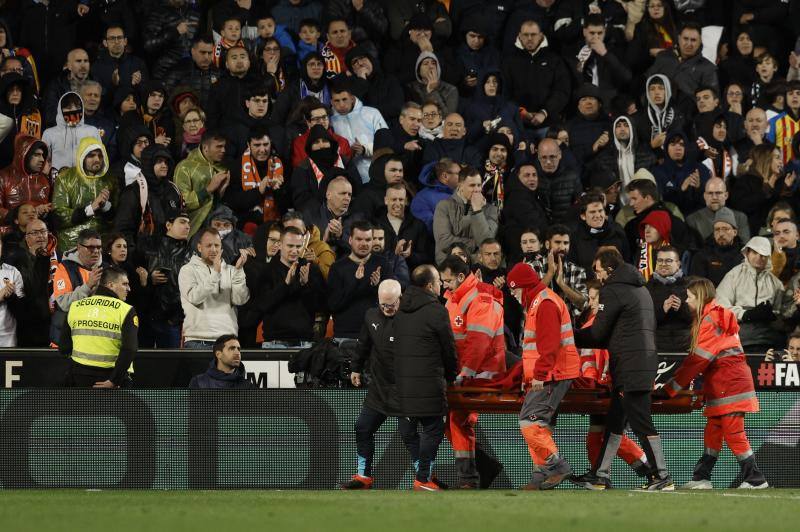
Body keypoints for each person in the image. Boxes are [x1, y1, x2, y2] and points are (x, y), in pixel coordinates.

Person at [573, 247, 673, 490]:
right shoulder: (640, 289)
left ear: (609, 269)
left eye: (598, 271)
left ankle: (662, 476)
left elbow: (597, 334)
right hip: (640, 363)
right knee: (615, 422)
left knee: (641, 422)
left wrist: (569, 335)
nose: (597, 276)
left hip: (631, 367)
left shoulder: (613, 291)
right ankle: (600, 474)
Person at [662, 277, 768, 490]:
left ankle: (756, 479)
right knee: (713, 431)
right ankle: (702, 477)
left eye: (690, 297)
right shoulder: (715, 316)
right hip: (725, 382)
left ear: (700, 297)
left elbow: (697, 361)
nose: (686, 301)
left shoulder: (710, 319)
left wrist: (670, 389)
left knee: (733, 432)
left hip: (729, 383)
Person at [506, 262, 578, 490]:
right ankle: (539, 479)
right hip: (551, 373)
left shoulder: (544, 303)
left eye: (513, 289)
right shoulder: (541, 301)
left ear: (523, 286)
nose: (513, 295)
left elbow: (549, 345)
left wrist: (539, 374)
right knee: (541, 427)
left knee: (529, 422)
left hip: (551, 374)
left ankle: (558, 467)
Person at [439, 256, 505, 489]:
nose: (444, 285)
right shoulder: (454, 298)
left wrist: (465, 372)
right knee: (451, 422)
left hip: (481, 372)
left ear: (460, 277)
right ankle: (482, 469)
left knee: (457, 419)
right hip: (465, 371)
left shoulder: (479, 298)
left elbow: (479, 341)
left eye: (447, 281)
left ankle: (469, 478)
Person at [393, 265, 457, 491]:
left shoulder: (400, 310)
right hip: (429, 382)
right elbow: (448, 348)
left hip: (404, 384)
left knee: (409, 431)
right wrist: (452, 374)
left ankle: (425, 475)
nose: (441, 284)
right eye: (439, 280)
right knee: (433, 430)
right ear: (430, 285)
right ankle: (423, 479)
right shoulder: (438, 311)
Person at [342, 279, 403, 490]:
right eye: (383, 305)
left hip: (405, 389)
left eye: (392, 305)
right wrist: (356, 368)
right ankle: (363, 476)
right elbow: (363, 344)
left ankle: (424, 478)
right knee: (363, 427)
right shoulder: (370, 316)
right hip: (379, 387)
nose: (387, 309)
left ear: (400, 299)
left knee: (409, 435)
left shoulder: (410, 319)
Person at [60, 265, 137, 388]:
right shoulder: (125, 310)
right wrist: (115, 380)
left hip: (78, 377)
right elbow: (130, 349)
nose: (129, 288)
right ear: (110, 285)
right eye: (124, 284)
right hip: (109, 379)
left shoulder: (75, 306)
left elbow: (64, 347)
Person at [178, 227, 250, 349]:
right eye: (209, 245)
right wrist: (215, 274)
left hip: (227, 341)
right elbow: (195, 297)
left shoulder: (231, 270)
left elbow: (240, 300)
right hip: (198, 341)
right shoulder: (188, 270)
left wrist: (238, 271)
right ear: (199, 247)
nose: (213, 249)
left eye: (217, 245)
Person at [254, 226, 325, 348]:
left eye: (298, 246)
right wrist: (286, 284)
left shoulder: (310, 269)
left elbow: (320, 306)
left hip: (305, 342)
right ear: (280, 245)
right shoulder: (267, 270)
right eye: (290, 246)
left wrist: (305, 284)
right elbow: (263, 304)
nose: (294, 250)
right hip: (274, 342)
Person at [716, 236, 787, 352]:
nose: (759, 257)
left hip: (768, 340)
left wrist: (773, 317)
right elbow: (719, 308)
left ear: (768, 257)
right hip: (738, 338)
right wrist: (746, 314)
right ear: (747, 252)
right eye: (755, 252)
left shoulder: (775, 283)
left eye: (763, 255)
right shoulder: (733, 276)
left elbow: (781, 316)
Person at [326, 221, 391, 340]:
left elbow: (392, 303)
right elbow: (333, 305)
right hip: (346, 335)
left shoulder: (383, 264)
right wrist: (355, 282)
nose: (364, 244)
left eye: (368, 240)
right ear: (350, 240)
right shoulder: (337, 268)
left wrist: (377, 286)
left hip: (376, 334)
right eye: (359, 239)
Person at [52, 137, 117, 252]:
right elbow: (59, 216)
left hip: (103, 246)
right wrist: (90, 209)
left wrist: (105, 206)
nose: (97, 159)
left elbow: (118, 217)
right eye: (91, 155)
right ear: (82, 156)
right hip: (72, 246)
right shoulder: (65, 178)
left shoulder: (111, 179)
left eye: (100, 155)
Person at [140, 213, 194, 348]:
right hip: (147, 316)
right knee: (143, 363)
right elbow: (135, 273)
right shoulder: (148, 245)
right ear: (168, 225)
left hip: (173, 320)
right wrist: (149, 278)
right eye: (182, 222)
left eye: (188, 223)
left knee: (170, 364)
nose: (187, 226)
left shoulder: (191, 253)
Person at [432, 165, 499, 263]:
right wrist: (473, 244)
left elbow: (486, 243)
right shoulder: (444, 206)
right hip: (449, 264)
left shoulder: (491, 210)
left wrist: (477, 211)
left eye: (479, 185)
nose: (477, 189)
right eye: (472, 185)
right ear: (460, 185)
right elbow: (444, 241)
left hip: (478, 266)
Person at [4, 219, 52, 347]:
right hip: (30, 322)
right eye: (35, 233)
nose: (40, 236)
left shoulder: (57, 256)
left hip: (53, 318)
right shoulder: (16, 261)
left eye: (43, 232)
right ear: (27, 237)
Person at [174, 130, 229, 237]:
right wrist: (208, 189)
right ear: (205, 148)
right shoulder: (185, 167)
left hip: (219, 227)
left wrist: (221, 192)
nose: (223, 150)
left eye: (224, 146)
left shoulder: (223, 168)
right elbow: (181, 203)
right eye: (218, 146)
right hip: (193, 229)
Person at [528, 224, 588, 318]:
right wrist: (550, 273)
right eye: (557, 242)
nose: (562, 247)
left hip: (565, 328)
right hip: (538, 326)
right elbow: (529, 299)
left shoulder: (577, 271)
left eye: (565, 243)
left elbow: (583, 303)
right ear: (547, 244)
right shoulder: (532, 267)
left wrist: (561, 283)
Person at [646, 246, 692, 353]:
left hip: (685, 345)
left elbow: (698, 317)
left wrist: (681, 308)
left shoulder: (690, 285)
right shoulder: (647, 288)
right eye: (660, 260)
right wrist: (662, 310)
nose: (663, 264)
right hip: (655, 346)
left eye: (668, 261)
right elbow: (643, 320)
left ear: (678, 263)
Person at [41, 92, 100, 172]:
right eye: (68, 108)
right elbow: (44, 161)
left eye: (77, 107)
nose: (73, 110)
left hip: (86, 182)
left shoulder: (92, 131)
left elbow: (99, 158)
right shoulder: (49, 134)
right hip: (57, 182)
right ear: (60, 110)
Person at [685, 177, 751, 244]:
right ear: (704, 196)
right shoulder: (692, 220)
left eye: (718, 193)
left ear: (726, 195)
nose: (714, 197)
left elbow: (744, 246)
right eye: (710, 193)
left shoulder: (740, 218)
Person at [690, 208, 745, 286]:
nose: (721, 233)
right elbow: (697, 287)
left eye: (725, 229)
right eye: (717, 229)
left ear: (735, 232)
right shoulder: (702, 256)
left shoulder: (745, 255)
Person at [188, 334, 253, 389]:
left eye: (238, 349)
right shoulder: (198, 382)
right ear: (218, 354)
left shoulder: (248, 386)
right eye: (232, 348)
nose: (237, 353)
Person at [411, 158, 458, 233]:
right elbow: (429, 228)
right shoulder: (421, 199)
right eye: (458, 174)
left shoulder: (461, 193)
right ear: (445, 176)